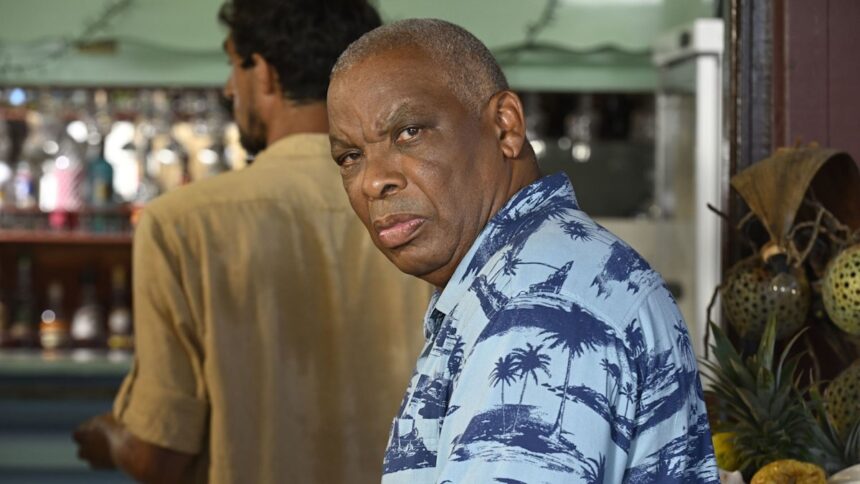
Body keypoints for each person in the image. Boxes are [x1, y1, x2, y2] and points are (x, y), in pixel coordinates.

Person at [327, 18, 720, 483]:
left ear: (506, 126)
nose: (373, 181)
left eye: (409, 132)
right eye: (350, 157)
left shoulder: (542, 311)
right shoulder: (526, 277)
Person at [72, 2, 429, 483]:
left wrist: (110, 439)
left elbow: (158, 454)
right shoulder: (427, 215)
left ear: (262, 73)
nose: (227, 88)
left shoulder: (181, 224)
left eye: (231, 65)